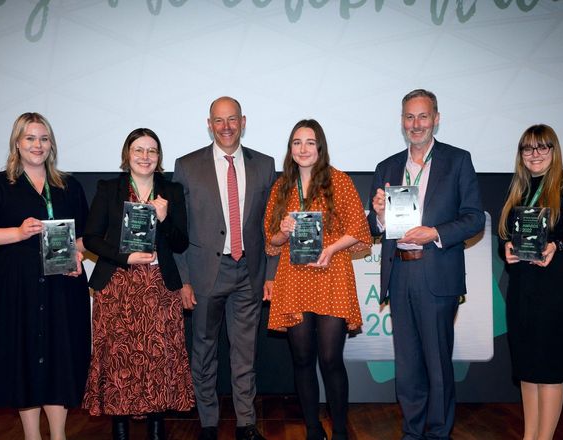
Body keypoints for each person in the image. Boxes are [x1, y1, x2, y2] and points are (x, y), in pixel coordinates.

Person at [0, 112, 91, 440]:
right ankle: (31, 436)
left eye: (44, 139)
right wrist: (17, 233)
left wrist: (77, 253)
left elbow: (83, 237)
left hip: (61, 285)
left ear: (52, 144)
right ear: (17, 143)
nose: (38, 145)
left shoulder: (69, 186)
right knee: (24, 359)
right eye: (30, 138)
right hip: (15, 286)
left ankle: (59, 435)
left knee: (59, 357)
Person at [368, 89, 485, 439]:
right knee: (407, 367)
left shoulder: (457, 160)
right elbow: (376, 228)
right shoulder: (386, 167)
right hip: (399, 273)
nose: (415, 124)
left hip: (436, 273)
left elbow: (474, 218)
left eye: (422, 116)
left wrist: (434, 231)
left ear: (436, 118)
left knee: (436, 364)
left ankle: (438, 433)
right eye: (409, 117)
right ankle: (412, 431)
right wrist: (378, 216)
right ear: (401, 121)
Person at [173, 96, 276, 440]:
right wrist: (184, 279)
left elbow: (270, 224)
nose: (226, 127)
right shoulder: (187, 166)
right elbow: (179, 229)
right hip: (204, 275)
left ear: (243, 122)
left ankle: (246, 423)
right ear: (209, 124)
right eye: (219, 120)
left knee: (244, 354)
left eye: (232, 119)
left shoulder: (265, 164)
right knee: (203, 352)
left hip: (249, 272)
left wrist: (271, 274)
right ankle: (208, 423)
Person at [81, 128, 194, 440]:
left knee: (158, 360)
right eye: (138, 150)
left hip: (159, 288)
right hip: (117, 286)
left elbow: (182, 243)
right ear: (126, 154)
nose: (145, 157)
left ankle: (157, 430)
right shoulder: (109, 189)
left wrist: (165, 217)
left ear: (159, 158)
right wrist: (125, 257)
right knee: (118, 360)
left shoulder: (171, 191)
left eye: (152, 151)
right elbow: (91, 237)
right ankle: (120, 432)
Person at [263, 119, 371, 440]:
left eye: (310, 142)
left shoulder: (338, 181)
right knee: (301, 359)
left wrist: (331, 247)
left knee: (330, 359)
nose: (303, 149)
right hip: (294, 279)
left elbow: (360, 231)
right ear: (290, 149)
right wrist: (282, 232)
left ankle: (339, 432)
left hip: (331, 275)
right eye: (297, 142)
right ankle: (312, 430)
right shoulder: (282, 186)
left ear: (320, 147)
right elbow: (270, 240)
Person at [498, 124, 563, 440]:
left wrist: (558, 246)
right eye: (528, 148)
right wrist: (505, 249)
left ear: (554, 151)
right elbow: (504, 236)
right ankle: (530, 436)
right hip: (522, 288)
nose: (535, 154)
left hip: (556, 289)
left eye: (542, 147)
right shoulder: (518, 187)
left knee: (548, 368)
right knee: (528, 369)